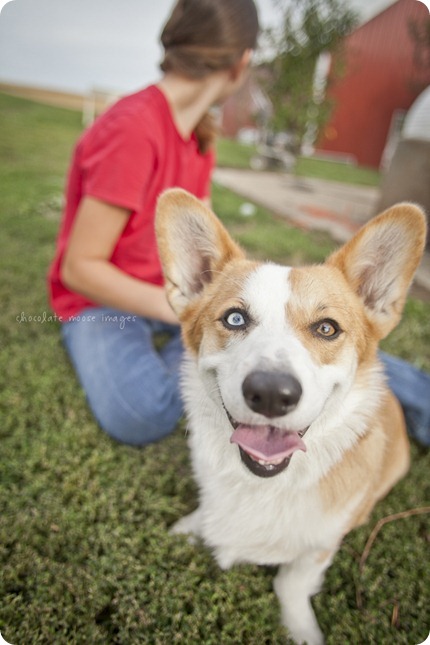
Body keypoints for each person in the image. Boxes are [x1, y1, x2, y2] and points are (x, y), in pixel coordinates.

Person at [48, 0, 430, 448]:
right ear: (243, 60)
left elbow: (200, 244)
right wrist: (197, 311)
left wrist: (230, 312)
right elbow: (80, 269)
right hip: (102, 305)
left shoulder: (197, 136)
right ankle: (216, 350)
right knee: (141, 413)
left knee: (326, 339)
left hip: (179, 297)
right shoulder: (131, 129)